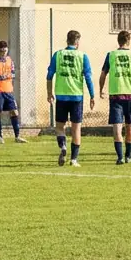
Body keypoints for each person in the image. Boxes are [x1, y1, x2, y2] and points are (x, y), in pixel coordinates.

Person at [99, 30, 131, 165]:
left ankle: (120, 157)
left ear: (118, 41)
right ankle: (128, 156)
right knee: (130, 126)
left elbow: (103, 74)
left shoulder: (111, 55)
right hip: (130, 96)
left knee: (117, 126)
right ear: (129, 41)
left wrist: (101, 89)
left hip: (115, 95)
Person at [46, 30, 95, 167]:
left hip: (61, 96)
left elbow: (49, 75)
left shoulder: (58, 55)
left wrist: (49, 93)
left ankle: (63, 146)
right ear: (77, 42)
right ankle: (74, 159)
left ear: (67, 41)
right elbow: (88, 78)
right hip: (76, 97)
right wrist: (92, 95)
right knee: (76, 129)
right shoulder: (82, 56)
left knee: (60, 127)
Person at [0, 40, 25, 144]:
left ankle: (17, 136)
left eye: (5, 51)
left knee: (14, 112)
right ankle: (0, 136)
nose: (4, 53)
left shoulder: (9, 60)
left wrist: (10, 75)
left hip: (9, 91)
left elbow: (13, 73)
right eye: (2, 51)